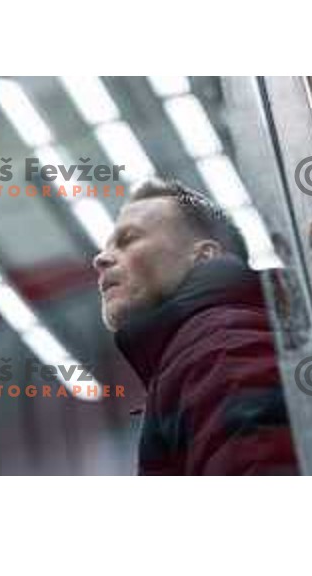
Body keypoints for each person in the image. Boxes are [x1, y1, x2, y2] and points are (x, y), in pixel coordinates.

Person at [93, 179, 298, 475]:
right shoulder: (198, 350)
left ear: (203, 257)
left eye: (128, 239)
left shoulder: (219, 346)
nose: (100, 258)